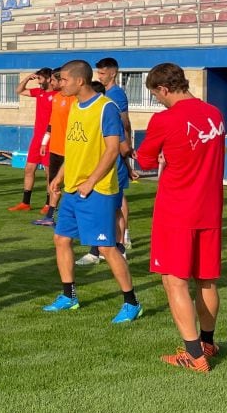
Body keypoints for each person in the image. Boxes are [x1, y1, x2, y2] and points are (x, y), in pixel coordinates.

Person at [135, 63, 225, 372]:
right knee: (207, 280)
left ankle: (193, 355)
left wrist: (160, 156)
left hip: (177, 210)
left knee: (174, 281)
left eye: (155, 94)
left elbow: (145, 160)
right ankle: (208, 342)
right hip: (210, 208)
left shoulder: (164, 119)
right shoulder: (214, 113)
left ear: (163, 89)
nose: (157, 100)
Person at [44, 60, 142, 324]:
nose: (59, 84)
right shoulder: (75, 106)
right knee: (61, 240)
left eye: (63, 79)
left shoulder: (106, 108)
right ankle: (69, 296)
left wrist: (91, 181)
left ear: (79, 81)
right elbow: (74, 149)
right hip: (73, 189)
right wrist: (59, 177)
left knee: (106, 247)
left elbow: (112, 149)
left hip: (97, 190)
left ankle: (132, 302)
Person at [77, 57, 135, 264]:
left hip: (114, 159)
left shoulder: (114, 96)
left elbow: (124, 125)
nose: (99, 76)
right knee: (104, 205)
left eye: (102, 73)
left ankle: (118, 245)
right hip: (107, 158)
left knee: (115, 204)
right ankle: (98, 248)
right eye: (98, 72)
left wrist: (126, 154)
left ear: (113, 73)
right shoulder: (100, 98)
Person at [9, 68, 54, 212]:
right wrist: (28, 78)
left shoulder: (58, 95)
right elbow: (19, 90)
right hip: (37, 139)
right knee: (29, 169)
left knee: (49, 173)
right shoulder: (39, 92)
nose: (38, 81)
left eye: (40, 79)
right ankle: (25, 203)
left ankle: (48, 204)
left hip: (51, 139)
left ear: (48, 79)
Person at [33, 70, 74, 226]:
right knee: (53, 184)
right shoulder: (56, 98)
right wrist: (45, 142)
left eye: (55, 80)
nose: (52, 83)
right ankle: (50, 217)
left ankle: (70, 218)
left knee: (70, 186)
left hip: (68, 150)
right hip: (54, 149)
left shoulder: (73, 100)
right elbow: (51, 123)